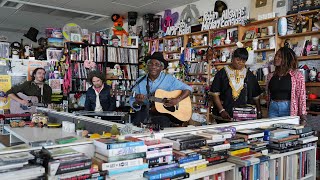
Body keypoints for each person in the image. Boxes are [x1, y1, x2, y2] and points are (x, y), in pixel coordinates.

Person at [129, 52, 193, 127]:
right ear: (147, 66)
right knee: (135, 124)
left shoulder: (168, 79)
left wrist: (177, 100)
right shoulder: (139, 81)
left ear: (162, 68)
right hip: (145, 114)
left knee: (162, 123)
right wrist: (138, 102)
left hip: (163, 116)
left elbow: (188, 89)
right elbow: (134, 103)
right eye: (151, 64)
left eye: (157, 64)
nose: (153, 67)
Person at [210, 48, 262, 121]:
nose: (240, 63)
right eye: (238, 60)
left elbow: (256, 96)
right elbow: (215, 94)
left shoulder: (249, 75)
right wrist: (221, 110)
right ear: (232, 58)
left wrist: (259, 111)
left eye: (243, 61)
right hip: (224, 114)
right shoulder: (222, 73)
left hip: (244, 115)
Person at [266, 46, 307, 125]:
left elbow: (301, 96)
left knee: (287, 133)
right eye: (276, 55)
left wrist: (303, 117)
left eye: (280, 57)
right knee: (273, 133)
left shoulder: (297, 75)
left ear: (287, 59)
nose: (276, 58)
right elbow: (268, 94)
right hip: (273, 108)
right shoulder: (270, 76)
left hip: (288, 108)